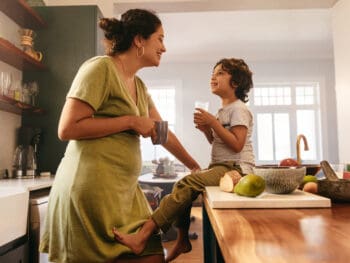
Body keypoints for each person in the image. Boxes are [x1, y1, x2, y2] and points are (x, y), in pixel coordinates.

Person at [39, 9, 200, 263]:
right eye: (160, 38)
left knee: (153, 255)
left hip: (123, 193)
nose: (164, 48)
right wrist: (130, 121)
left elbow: (162, 133)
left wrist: (193, 165)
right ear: (139, 40)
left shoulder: (139, 86)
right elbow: (67, 128)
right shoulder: (100, 68)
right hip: (89, 191)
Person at [113, 57, 255, 262]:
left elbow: (237, 145)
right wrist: (208, 130)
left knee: (187, 182)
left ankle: (143, 236)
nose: (213, 76)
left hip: (237, 169)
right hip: (221, 165)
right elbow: (221, 144)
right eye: (213, 73)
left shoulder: (239, 109)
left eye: (221, 73)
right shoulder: (223, 110)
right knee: (184, 185)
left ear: (235, 83)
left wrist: (213, 124)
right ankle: (182, 239)